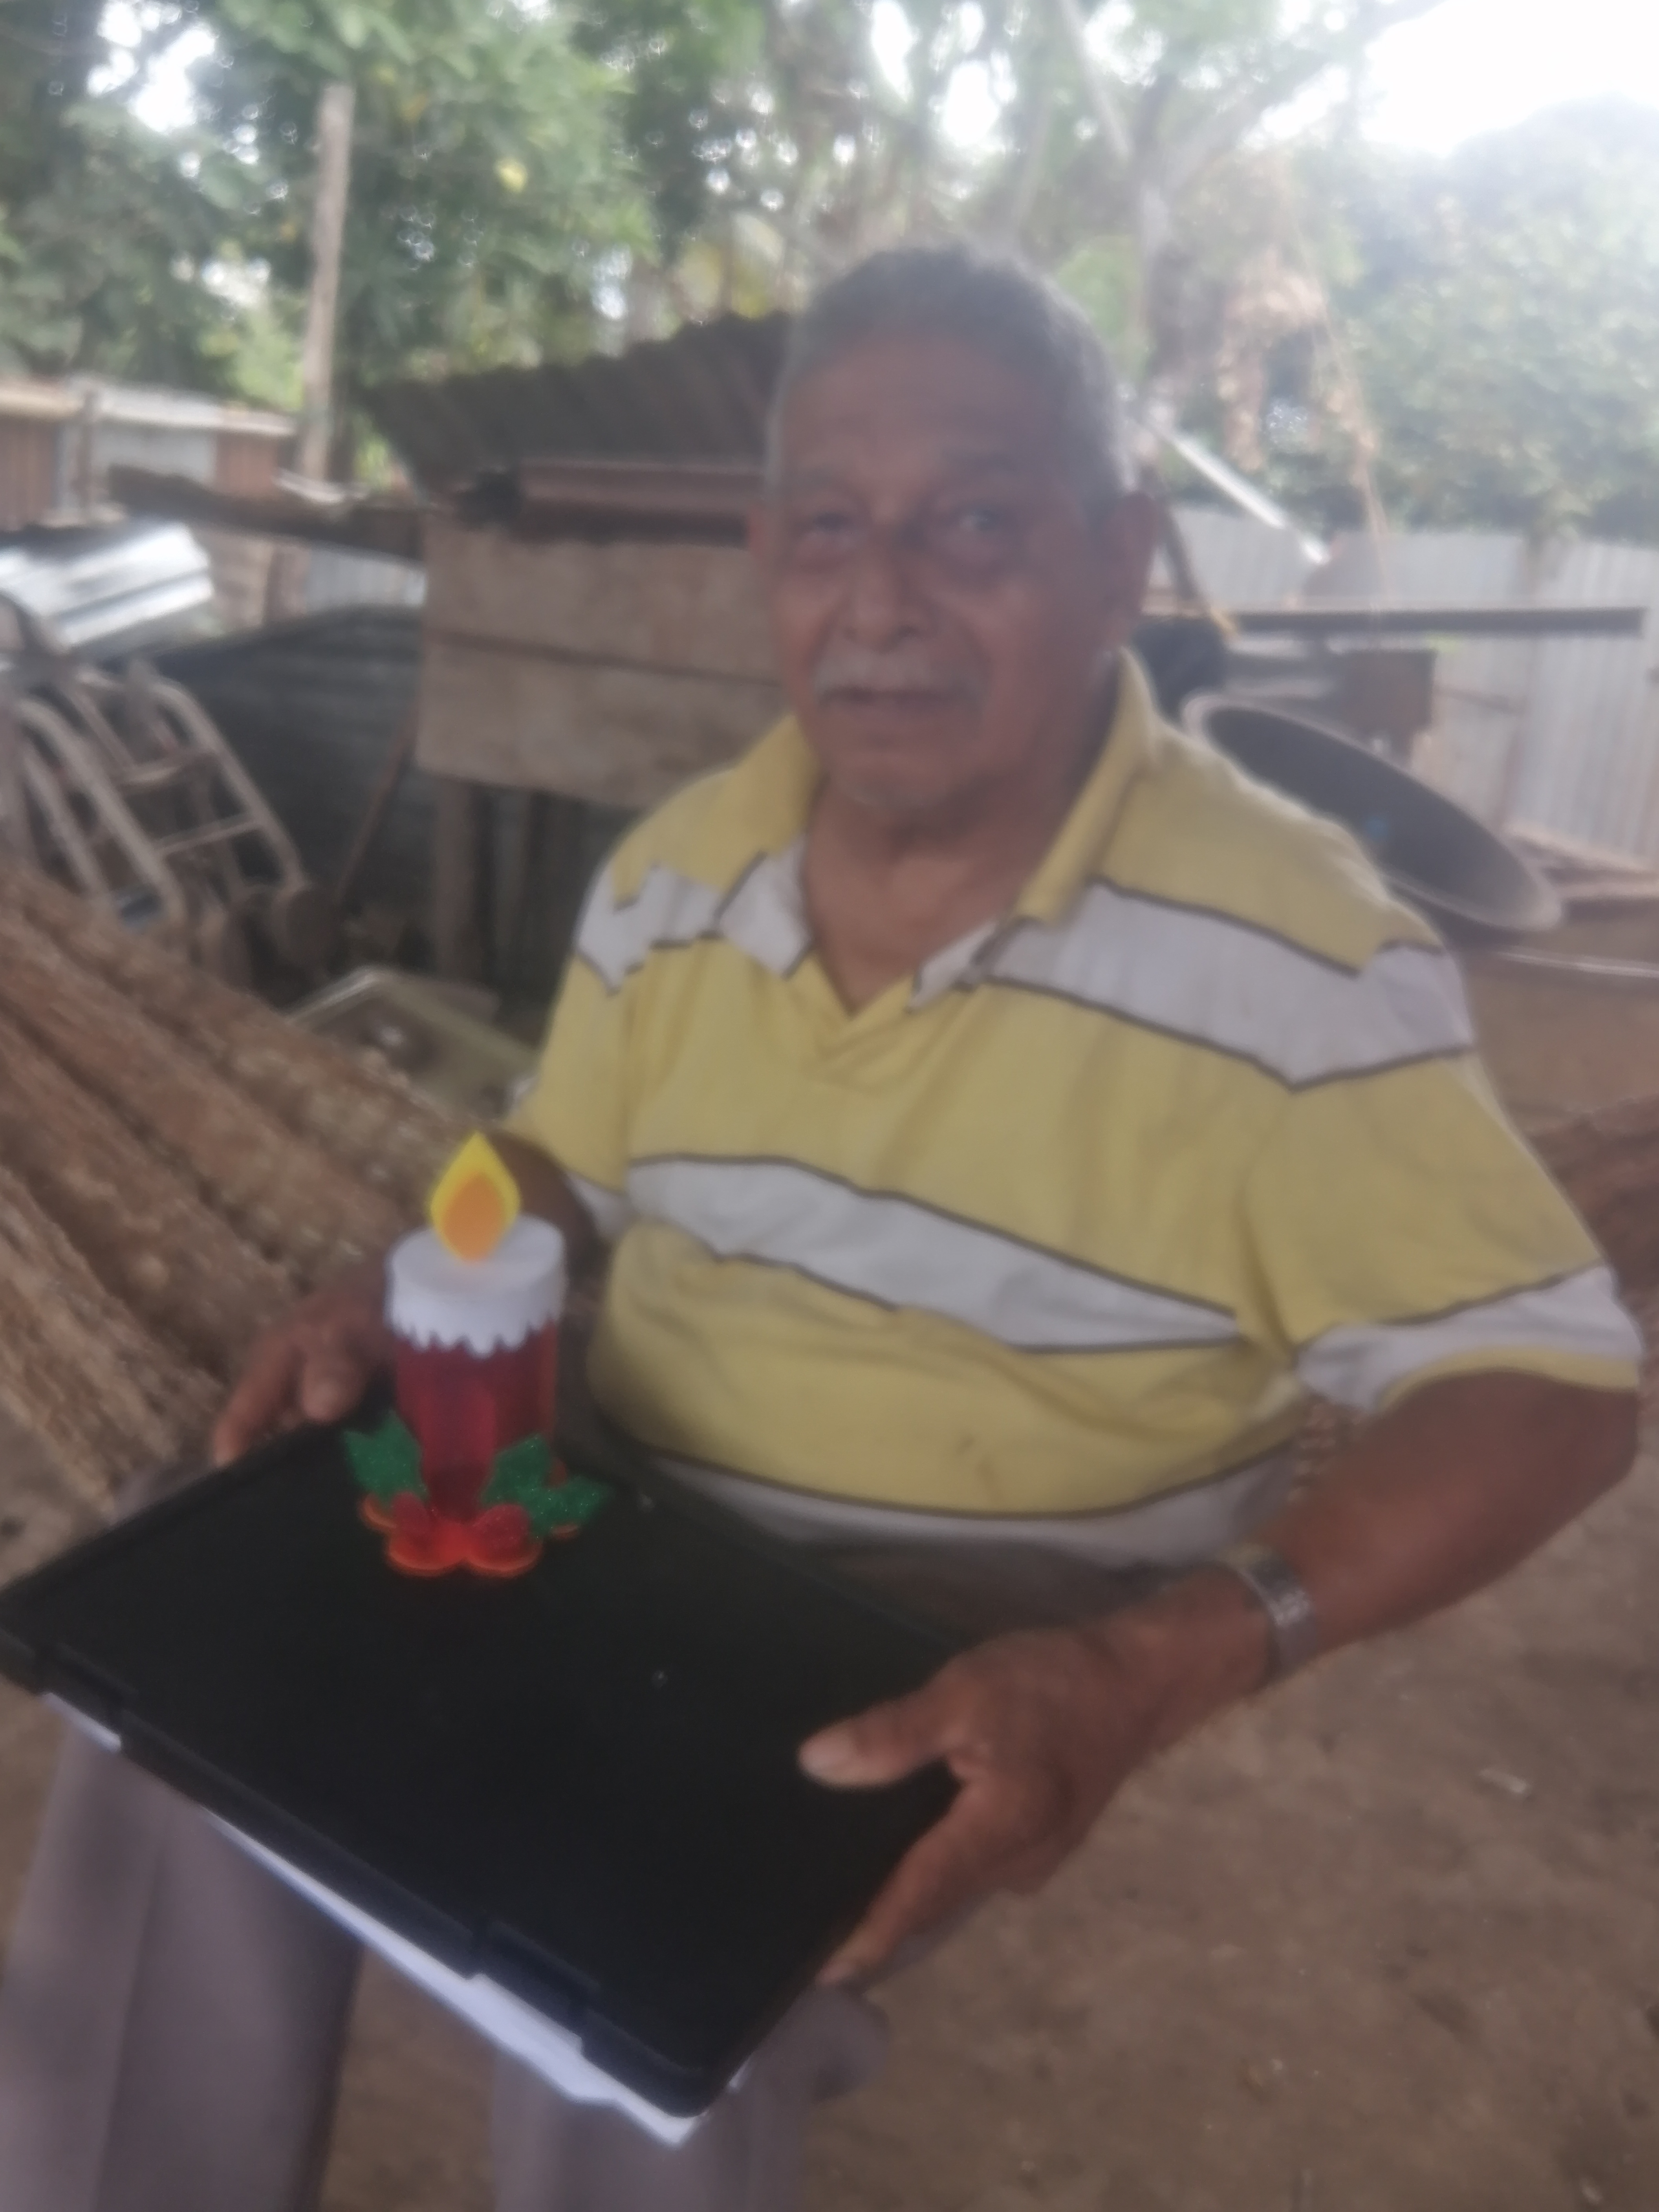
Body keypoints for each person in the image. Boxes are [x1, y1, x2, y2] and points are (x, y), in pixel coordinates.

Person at [0, 245, 1640, 2212]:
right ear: (769, 560)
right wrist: (400, 1279)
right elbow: (563, 1167)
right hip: (609, 1509)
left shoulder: (1300, 960)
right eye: (833, 530)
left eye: (975, 523)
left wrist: (1154, 1665)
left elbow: (1545, 1389)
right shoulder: (680, 872)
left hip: (953, 1600)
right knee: (192, 1671)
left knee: (639, 1934)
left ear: (1120, 560)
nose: (884, 600)